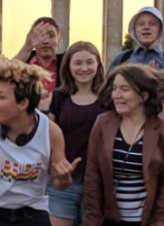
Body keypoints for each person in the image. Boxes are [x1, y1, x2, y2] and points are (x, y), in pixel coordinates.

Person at [0, 55, 79, 226]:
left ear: (23, 103)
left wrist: (63, 177)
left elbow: (60, 184)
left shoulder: (51, 132)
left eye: (1, 96)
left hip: (32, 212)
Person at [83, 64, 164, 226]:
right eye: (114, 88)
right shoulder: (102, 123)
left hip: (146, 221)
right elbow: (92, 177)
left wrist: (159, 222)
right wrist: (92, 219)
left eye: (124, 89)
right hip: (109, 220)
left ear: (143, 95)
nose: (116, 95)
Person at [47, 41, 108, 226]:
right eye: (78, 63)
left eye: (89, 62)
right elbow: (48, 137)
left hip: (99, 183)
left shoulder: (109, 98)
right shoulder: (58, 98)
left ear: (98, 65)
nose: (84, 68)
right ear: (68, 67)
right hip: (62, 182)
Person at [108, 6, 164, 72]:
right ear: (134, 29)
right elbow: (108, 88)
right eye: (141, 24)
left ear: (160, 29)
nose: (146, 27)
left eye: (152, 24)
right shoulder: (121, 59)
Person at [13, 17, 65, 111]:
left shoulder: (66, 64)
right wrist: (27, 47)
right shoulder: (23, 62)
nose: (45, 41)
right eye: (40, 35)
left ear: (59, 40)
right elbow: (5, 76)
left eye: (51, 35)